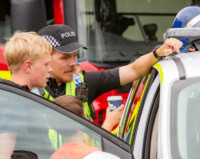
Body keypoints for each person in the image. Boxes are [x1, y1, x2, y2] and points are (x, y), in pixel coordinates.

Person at [37, 24, 183, 122]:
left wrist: (158, 52)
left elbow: (133, 70)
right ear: (44, 56)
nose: (73, 63)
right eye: (65, 57)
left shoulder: (81, 82)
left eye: (75, 56)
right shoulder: (28, 89)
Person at [0, 31, 53, 159]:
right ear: (28, 67)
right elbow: (2, 158)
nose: (51, 69)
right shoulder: (15, 102)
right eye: (46, 64)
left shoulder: (18, 97)